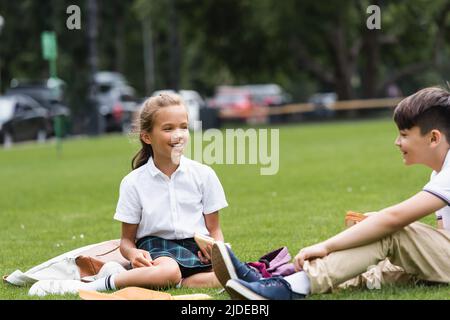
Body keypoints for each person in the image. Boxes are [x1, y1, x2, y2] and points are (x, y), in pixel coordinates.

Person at [211, 86, 450, 300]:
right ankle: (274, 282)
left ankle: (285, 288)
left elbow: (394, 220)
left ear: (433, 138)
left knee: (390, 231)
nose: (397, 142)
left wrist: (326, 246)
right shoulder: (438, 175)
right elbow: (441, 238)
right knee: (372, 264)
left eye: (405, 135)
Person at [30, 93, 228, 296]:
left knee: (227, 276)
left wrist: (216, 251)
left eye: (183, 127)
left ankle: (174, 281)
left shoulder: (204, 175)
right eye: (168, 128)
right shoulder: (133, 183)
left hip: (195, 249)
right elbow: (126, 242)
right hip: (156, 250)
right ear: (147, 136)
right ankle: (93, 286)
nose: (178, 135)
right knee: (169, 270)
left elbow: (215, 230)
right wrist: (133, 254)